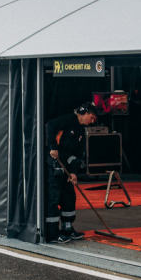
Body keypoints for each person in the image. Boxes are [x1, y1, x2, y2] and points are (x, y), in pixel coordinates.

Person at [43, 103, 97, 243]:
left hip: (67, 165)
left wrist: (73, 172)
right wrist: (53, 147)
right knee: (53, 197)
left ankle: (67, 227)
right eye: (91, 118)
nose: (92, 122)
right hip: (54, 162)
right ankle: (52, 232)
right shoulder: (68, 120)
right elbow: (49, 125)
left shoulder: (81, 129)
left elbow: (78, 153)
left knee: (69, 197)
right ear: (84, 113)